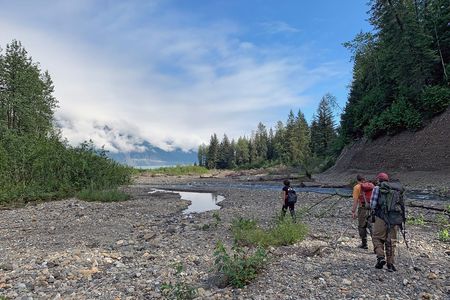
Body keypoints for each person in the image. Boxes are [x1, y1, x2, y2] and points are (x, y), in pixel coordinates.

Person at [370, 172, 406, 272]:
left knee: (377, 237)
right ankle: (390, 264)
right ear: (387, 180)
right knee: (391, 241)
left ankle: (381, 257)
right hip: (394, 219)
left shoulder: (377, 188)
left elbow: (372, 204)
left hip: (381, 217)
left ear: (379, 180)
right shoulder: (396, 189)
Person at [351, 175, 374, 249]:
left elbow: (355, 201)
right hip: (372, 209)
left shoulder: (357, 187)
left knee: (362, 226)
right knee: (371, 227)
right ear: (365, 179)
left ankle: (364, 244)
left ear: (357, 180)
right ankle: (377, 246)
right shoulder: (371, 185)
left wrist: (353, 211)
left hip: (362, 208)